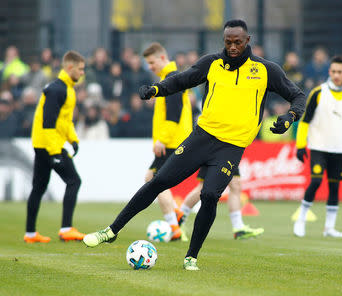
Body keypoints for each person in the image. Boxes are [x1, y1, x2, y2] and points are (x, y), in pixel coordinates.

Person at [83, 19, 306, 271]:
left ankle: (191, 257)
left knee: (209, 195)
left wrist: (290, 117)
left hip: (231, 147)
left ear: (247, 41)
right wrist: (157, 89)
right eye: (228, 42)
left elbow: (298, 95)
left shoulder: (266, 70)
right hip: (202, 138)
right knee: (158, 181)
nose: (232, 47)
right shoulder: (212, 63)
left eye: (237, 42)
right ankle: (111, 231)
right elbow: (182, 80)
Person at [293, 56, 342, 238]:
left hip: (339, 148)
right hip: (318, 146)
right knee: (316, 181)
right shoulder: (318, 92)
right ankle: (301, 219)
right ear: (329, 72)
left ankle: (329, 227)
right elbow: (305, 121)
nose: (336, 75)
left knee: (334, 187)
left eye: (340, 72)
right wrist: (301, 145)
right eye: (333, 71)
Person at [24, 51, 86, 243]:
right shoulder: (56, 89)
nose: (82, 72)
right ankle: (66, 228)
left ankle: (30, 234)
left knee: (39, 187)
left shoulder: (66, 89)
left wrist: (73, 139)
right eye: (80, 68)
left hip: (46, 144)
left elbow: (65, 121)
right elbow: (48, 123)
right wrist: (54, 153)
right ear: (70, 67)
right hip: (49, 145)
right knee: (74, 181)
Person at [138, 42, 192, 240]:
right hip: (172, 141)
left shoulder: (172, 80)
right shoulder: (169, 79)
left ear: (162, 58)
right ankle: (175, 220)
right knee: (153, 180)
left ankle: (175, 223)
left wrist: (162, 139)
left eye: (152, 62)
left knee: (153, 181)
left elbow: (173, 115)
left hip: (172, 142)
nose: (150, 67)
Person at [179, 167, 264, 240]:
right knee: (203, 186)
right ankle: (178, 222)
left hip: (231, 152)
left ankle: (239, 228)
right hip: (215, 150)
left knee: (235, 185)